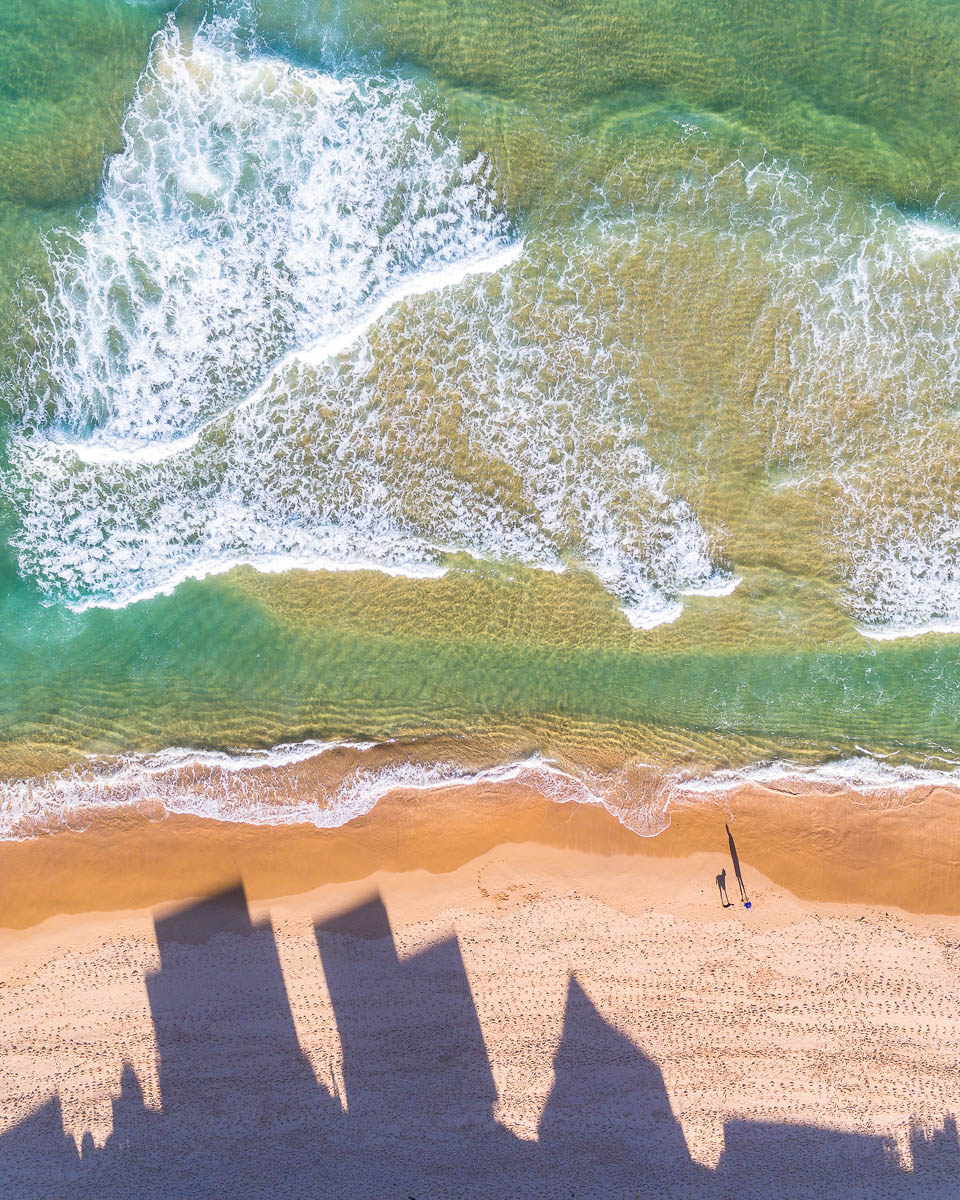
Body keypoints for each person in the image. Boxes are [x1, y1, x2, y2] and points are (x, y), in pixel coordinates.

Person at [726, 823, 750, 905]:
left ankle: (744, 895)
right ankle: (743, 895)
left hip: (737, 871)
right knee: (740, 882)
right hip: (737, 871)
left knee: (741, 882)